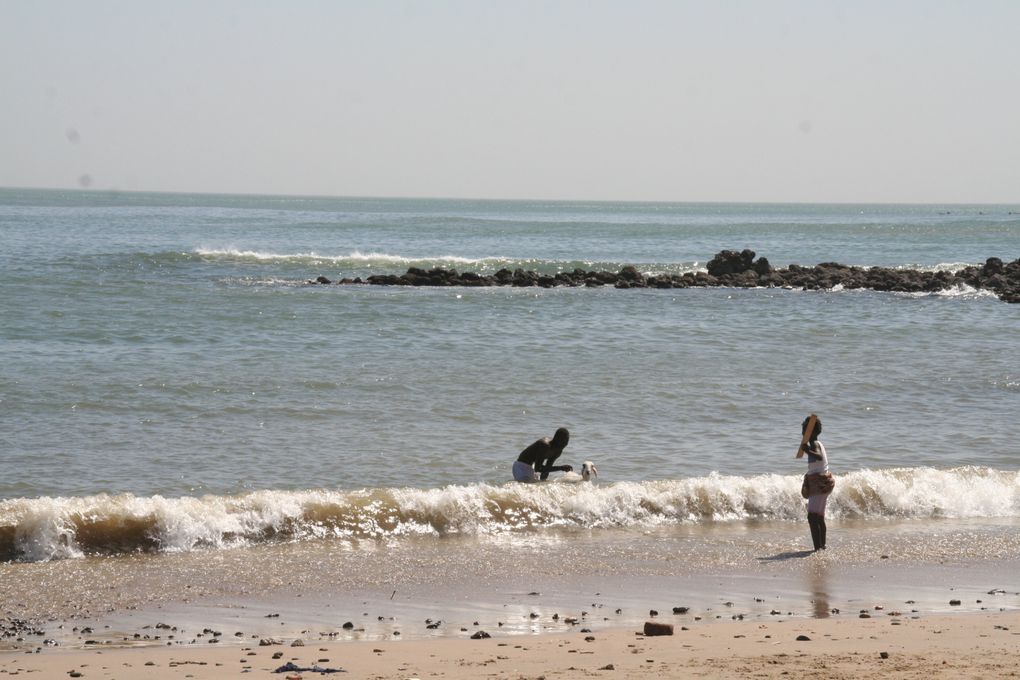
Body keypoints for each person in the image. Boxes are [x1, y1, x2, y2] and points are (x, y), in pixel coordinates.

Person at [798, 415, 835, 550]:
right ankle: (822, 545)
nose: (802, 433)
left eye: (804, 430)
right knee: (819, 517)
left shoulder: (815, 444)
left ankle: (817, 548)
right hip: (823, 484)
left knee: (812, 517)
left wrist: (807, 450)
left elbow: (818, 456)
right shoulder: (817, 444)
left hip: (819, 485)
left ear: (811, 431)